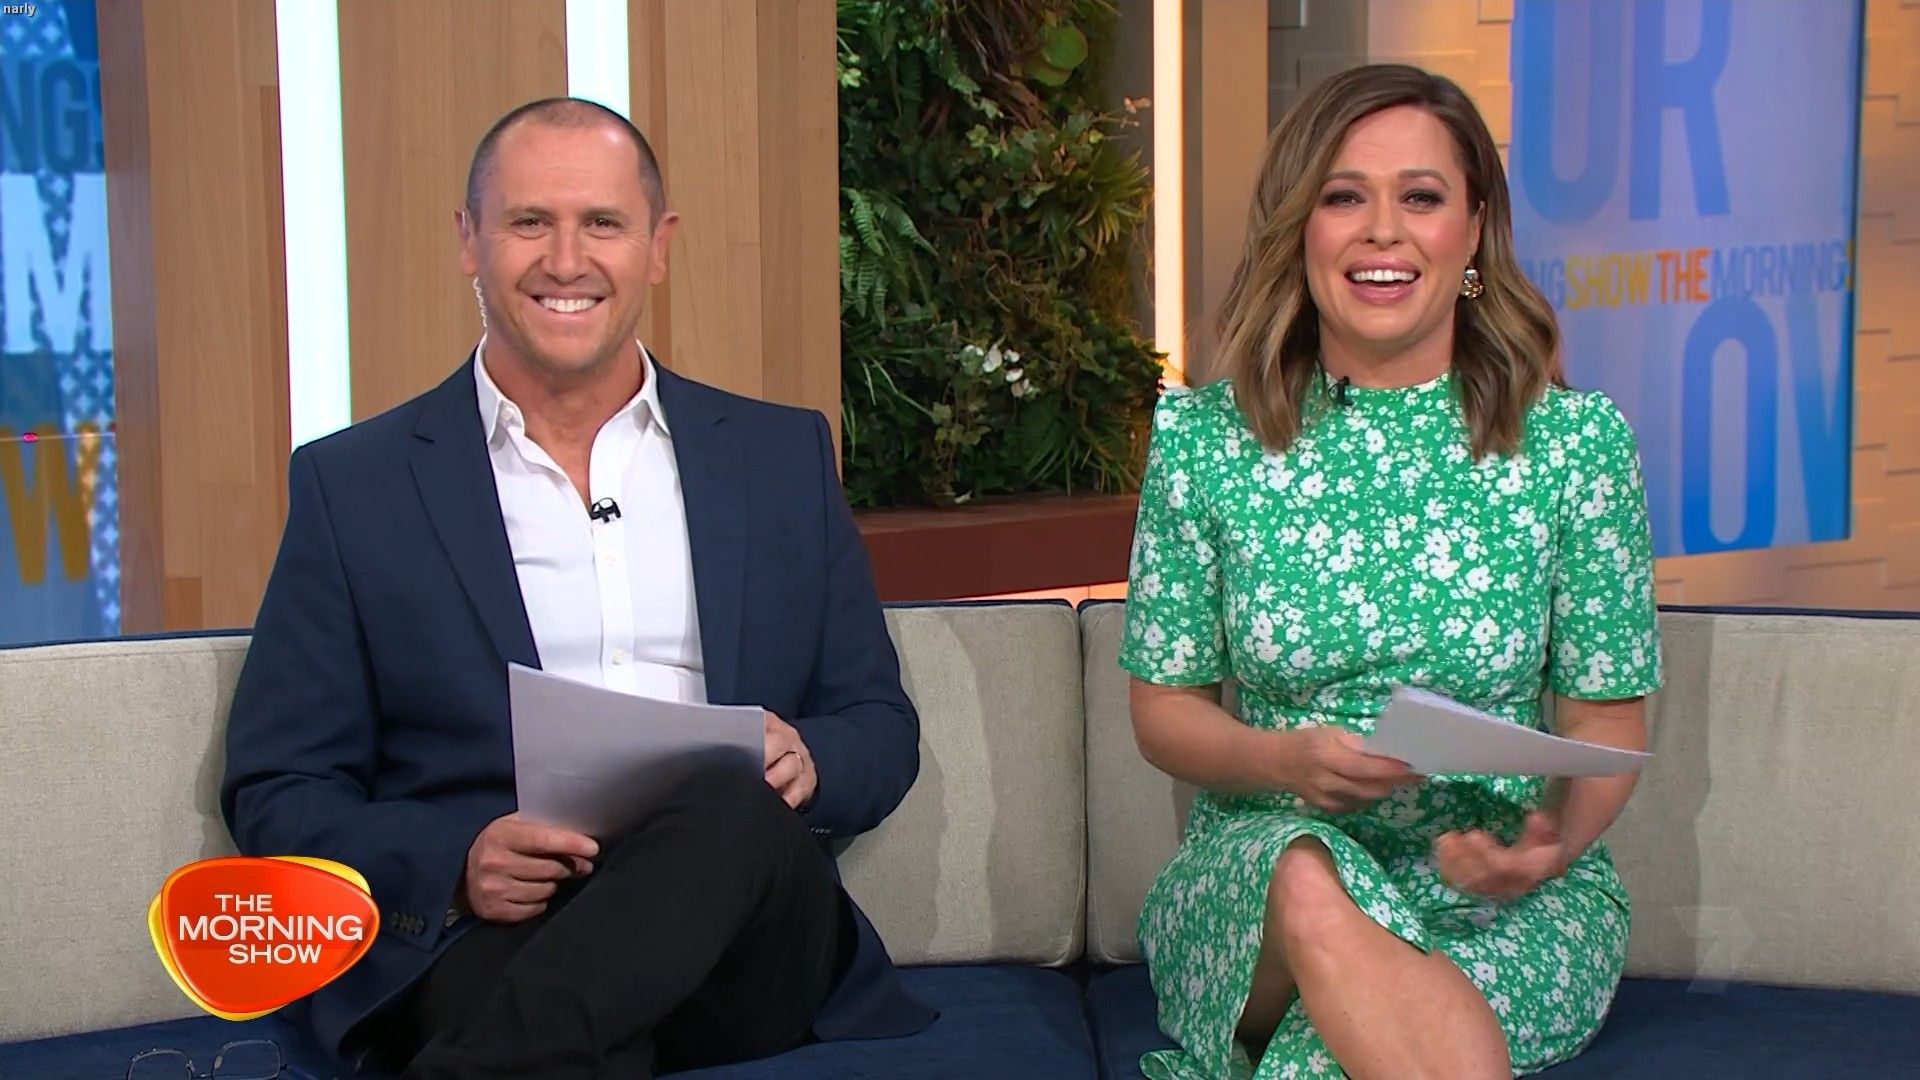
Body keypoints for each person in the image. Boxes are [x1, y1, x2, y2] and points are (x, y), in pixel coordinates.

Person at [220, 97, 935, 1079]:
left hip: (747, 933)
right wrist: (458, 861)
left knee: (728, 806)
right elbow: (279, 787)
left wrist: (810, 761)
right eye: (529, 222)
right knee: (538, 1007)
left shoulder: (779, 458)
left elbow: (880, 726)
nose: (566, 260)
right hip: (500, 934)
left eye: (602, 223)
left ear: (657, 246)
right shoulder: (356, 487)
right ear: (469, 241)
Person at [1118, 64, 1662, 1079]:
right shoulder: (1204, 441)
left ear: (1473, 231)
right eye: (1343, 197)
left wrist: (1551, 841)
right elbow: (1164, 713)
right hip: (1266, 876)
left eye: (1420, 197)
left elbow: (1606, 723)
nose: (1382, 232)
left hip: (1498, 900)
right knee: (1305, 878)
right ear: (1301, 229)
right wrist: (1285, 764)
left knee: (1344, 1045)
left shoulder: (1576, 446)